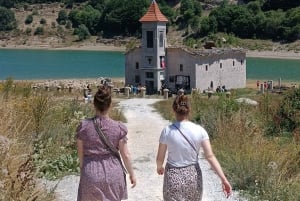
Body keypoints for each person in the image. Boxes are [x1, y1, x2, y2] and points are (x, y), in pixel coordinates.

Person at [156, 95, 232, 201]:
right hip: (193, 176)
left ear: (174, 109)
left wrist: (159, 167)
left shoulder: (167, 131)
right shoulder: (200, 130)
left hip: (173, 175)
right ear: (189, 110)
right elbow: (210, 156)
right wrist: (224, 179)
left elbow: (160, 157)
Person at [76, 86, 136, 201]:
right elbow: (126, 155)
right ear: (110, 105)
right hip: (113, 173)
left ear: (94, 104)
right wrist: (132, 174)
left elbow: (81, 154)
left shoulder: (83, 127)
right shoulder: (119, 128)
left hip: (91, 172)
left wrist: (84, 169)